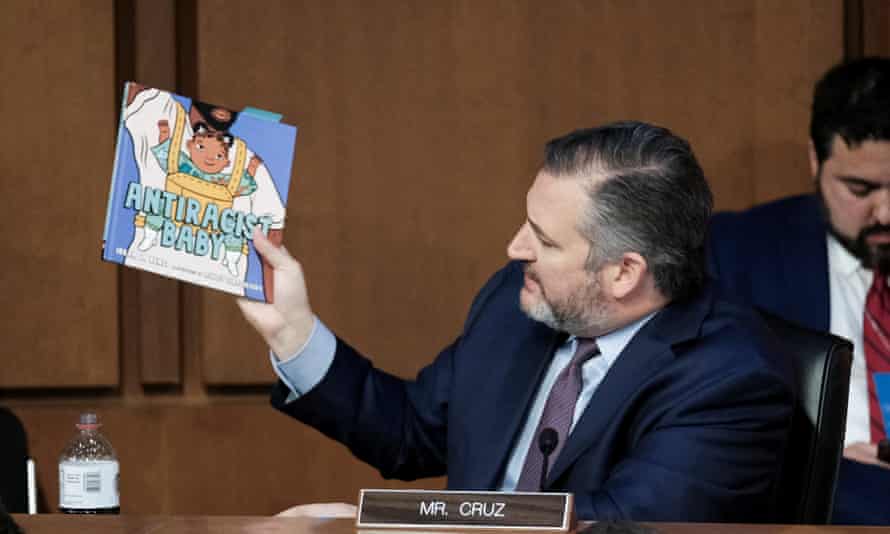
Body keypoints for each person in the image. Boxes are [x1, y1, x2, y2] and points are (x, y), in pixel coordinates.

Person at [239, 121, 795, 521]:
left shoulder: (731, 379)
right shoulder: (519, 302)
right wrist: (294, 331)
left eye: (545, 240)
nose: (514, 248)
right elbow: (411, 433)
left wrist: (396, 522)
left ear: (624, 272)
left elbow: (615, 523)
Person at [708, 57, 890, 524]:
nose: (885, 213)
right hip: (811, 514)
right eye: (860, 188)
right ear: (815, 160)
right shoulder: (737, 254)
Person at [122, 84, 285, 295]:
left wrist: (276, 307)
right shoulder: (161, 112)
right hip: (146, 282)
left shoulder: (248, 162)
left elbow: (273, 235)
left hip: (218, 295)